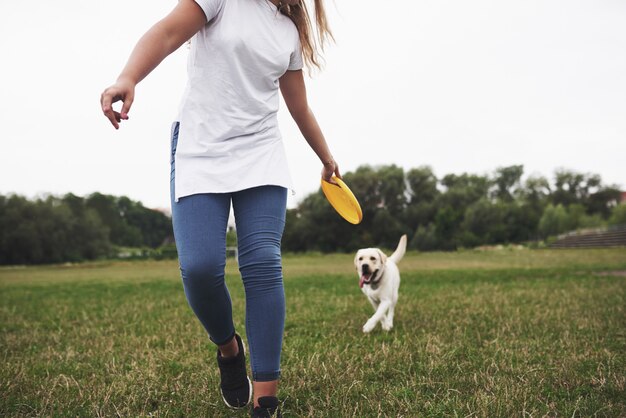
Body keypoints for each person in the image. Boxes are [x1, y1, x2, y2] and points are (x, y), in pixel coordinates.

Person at [100, 0, 339, 416]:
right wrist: (128, 77)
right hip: (201, 145)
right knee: (199, 268)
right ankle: (229, 349)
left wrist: (326, 157)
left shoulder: (287, 30)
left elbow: (298, 107)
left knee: (263, 262)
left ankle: (266, 401)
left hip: (260, 151)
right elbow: (168, 32)